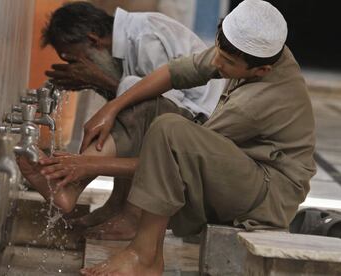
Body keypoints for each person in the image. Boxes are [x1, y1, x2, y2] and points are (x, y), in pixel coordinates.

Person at [39, 0, 316, 274]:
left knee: (169, 131)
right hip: (245, 168)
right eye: (219, 52)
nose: (217, 62)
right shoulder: (248, 50)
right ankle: (69, 186)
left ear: (261, 72)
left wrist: (89, 165)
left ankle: (144, 257)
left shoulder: (254, 104)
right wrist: (113, 107)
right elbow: (176, 72)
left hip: (266, 196)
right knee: (144, 103)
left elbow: (178, 160)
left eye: (228, 62)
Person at [18, 1, 224, 239]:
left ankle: (129, 214)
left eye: (79, 59)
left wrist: (103, 81)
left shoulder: (146, 39)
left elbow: (159, 104)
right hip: (179, 118)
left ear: (94, 40)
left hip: (200, 126)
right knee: (122, 109)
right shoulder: (127, 41)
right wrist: (101, 85)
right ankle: (115, 205)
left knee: (132, 106)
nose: (78, 67)